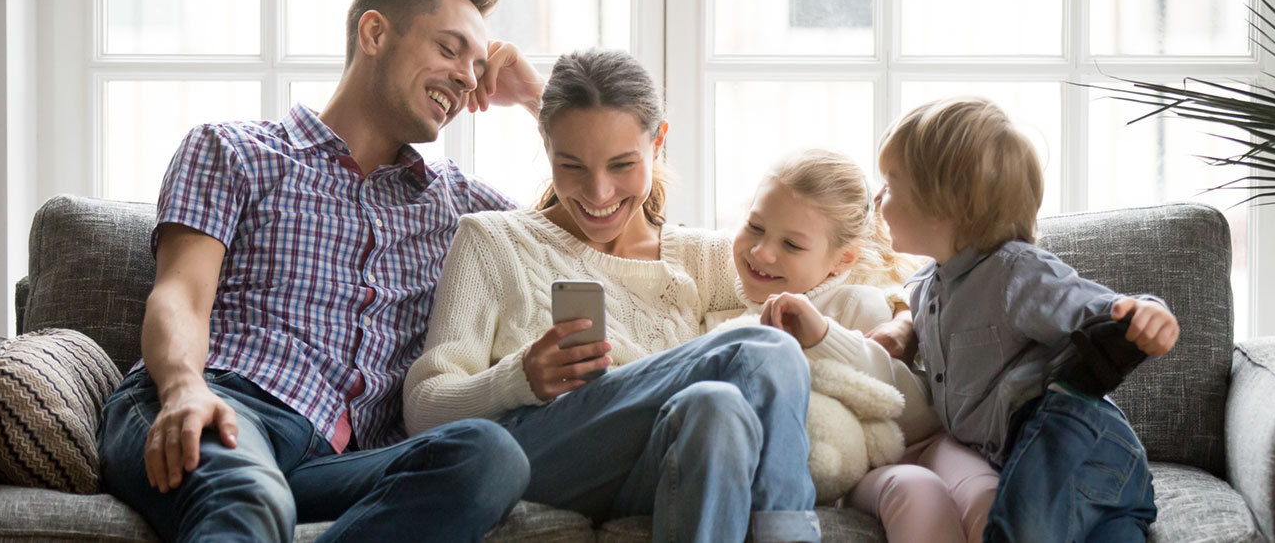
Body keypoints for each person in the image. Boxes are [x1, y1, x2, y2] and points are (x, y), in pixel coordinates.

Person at [95, 0, 547, 541]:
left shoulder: (459, 205)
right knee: (249, 497)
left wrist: (542, 98)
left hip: (342, 462)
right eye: (449, 48)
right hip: (223, 403)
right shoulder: (235, 151)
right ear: (375, 33)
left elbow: (609, 220)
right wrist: (184, 387)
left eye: (479, 63)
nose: (468, 76)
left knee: (489, 455)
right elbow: (180, 293)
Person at [403, 48, 822, 543]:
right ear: (545, 143)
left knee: (717, 408)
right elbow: (423, 408)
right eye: (572, 165)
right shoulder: (494, 241)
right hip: (543, 460)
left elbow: (826, 300)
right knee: (762, 349)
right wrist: (519, 379)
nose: (598, 193)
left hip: (652, 471)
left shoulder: (707, 258)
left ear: (658, 142)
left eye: (622, 165)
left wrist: (903, 317)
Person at [873, 97, 1178, 542]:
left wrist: (1150, 310)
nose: (878, 196)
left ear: (942, 205)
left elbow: (1101, 310)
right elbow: (920, 317)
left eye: (891, 183)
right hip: (1052, 470)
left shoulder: (1016, 272)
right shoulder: (925, 287)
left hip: (1075, 445)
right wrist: (904, 329)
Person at [706, 149, 999, 543]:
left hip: (927, 442)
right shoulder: (725, 324)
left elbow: (914, 413)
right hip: (862, 470)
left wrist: (825, 337)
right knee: (916, 490)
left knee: (986, 494)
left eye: (792, 245)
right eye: (755, 227)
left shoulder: (857, 303)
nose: (762, 252)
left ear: (842, 260)